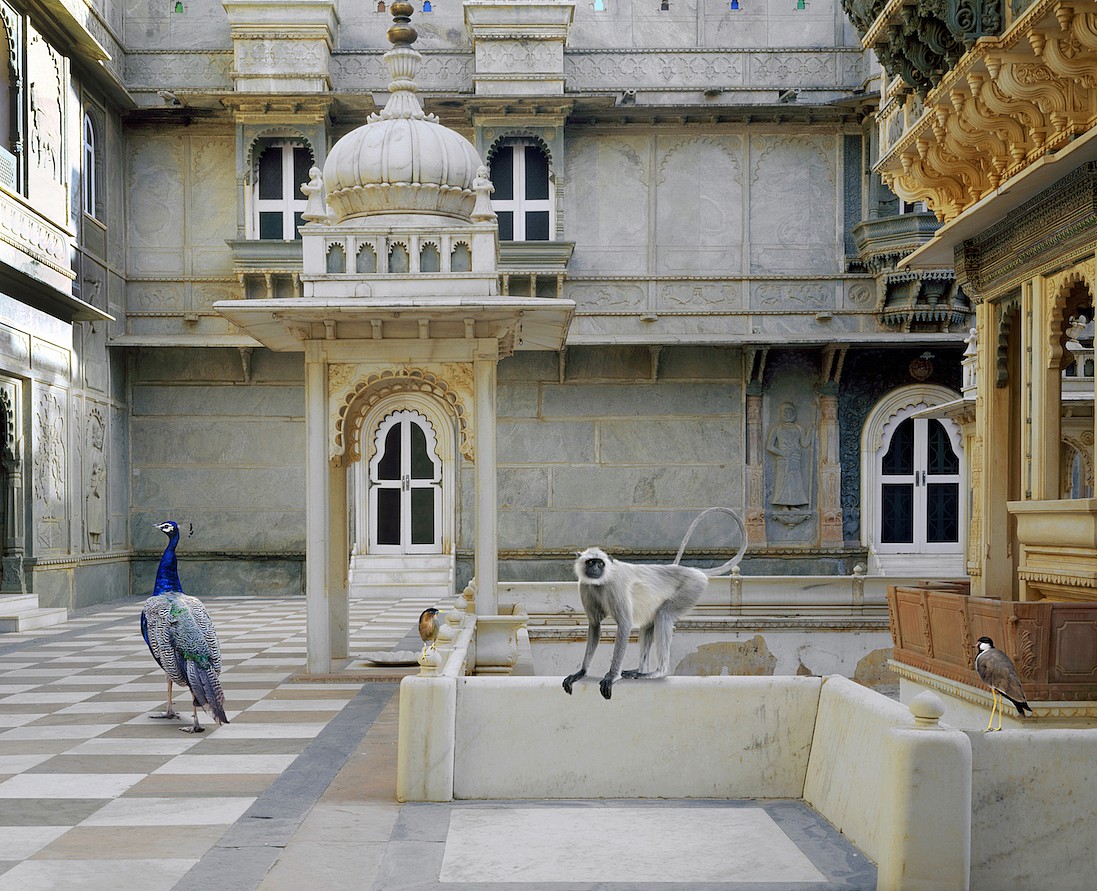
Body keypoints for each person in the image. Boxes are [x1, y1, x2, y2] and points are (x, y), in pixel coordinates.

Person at [767, 402, 812, 508]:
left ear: (794, 414)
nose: (788, 414)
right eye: (785, 412)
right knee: (783, 481)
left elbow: (804, 443)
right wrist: (782, 453)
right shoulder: (777, 429)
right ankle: (784, 506)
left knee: (795, 482)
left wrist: (811, 431)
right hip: (783, 459)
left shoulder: (799, 428)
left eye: (791, 412)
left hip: (795, 458)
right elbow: (770, 446)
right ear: (781, 414)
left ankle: (794, 504)